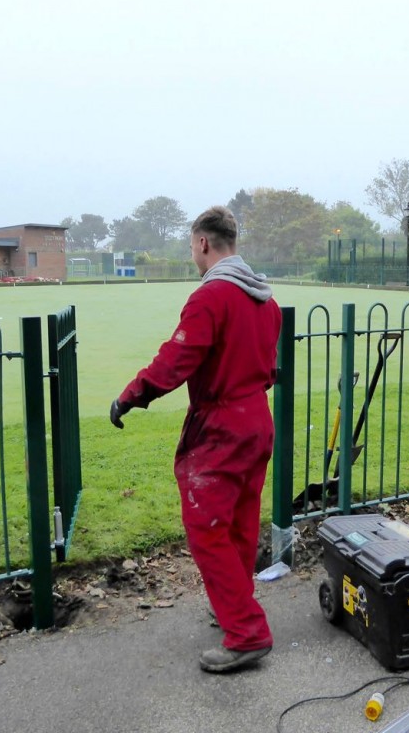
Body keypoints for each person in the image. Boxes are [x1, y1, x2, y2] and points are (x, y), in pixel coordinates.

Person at [109, 205, 282, 673]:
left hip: (222, 426)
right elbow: (269, 365)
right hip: (256, 420)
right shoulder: (264, 300)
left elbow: (178, 358)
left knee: (207, 528)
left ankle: (246, 633)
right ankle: (234, 606)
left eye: (191, 246)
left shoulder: (210, 297)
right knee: (240, 523)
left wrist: (132, 395)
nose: (192, 254)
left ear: (203, 243)